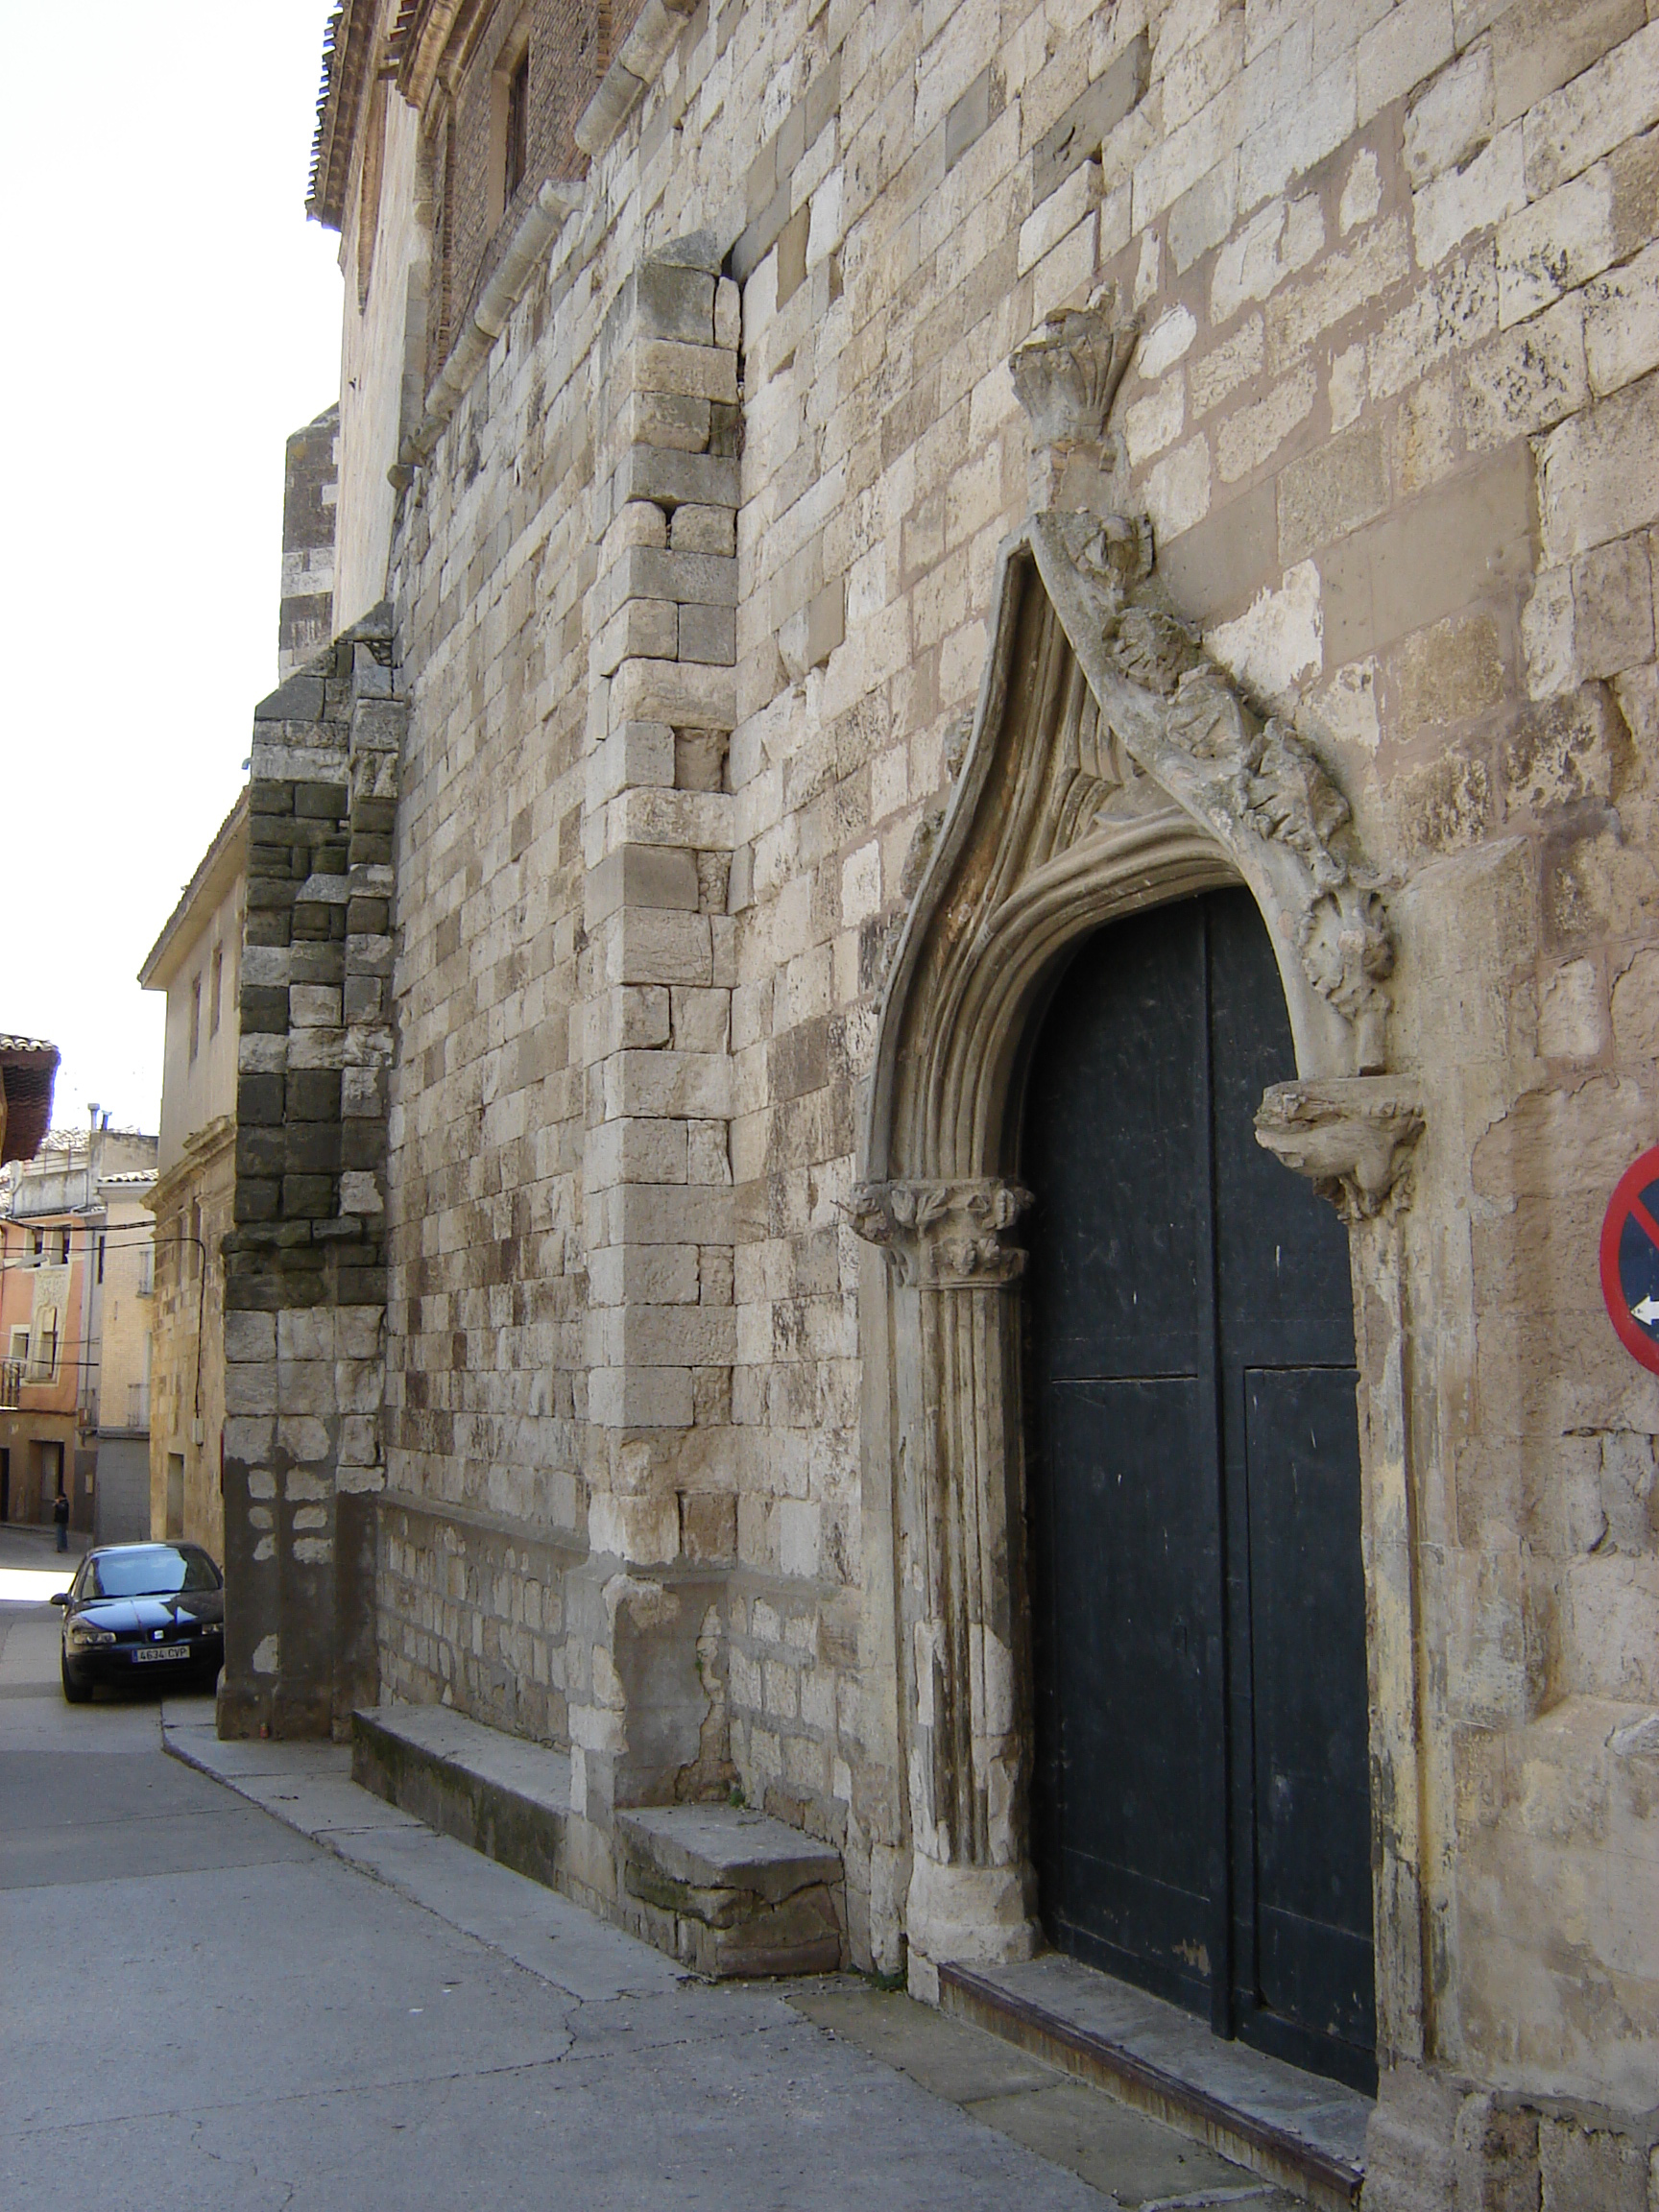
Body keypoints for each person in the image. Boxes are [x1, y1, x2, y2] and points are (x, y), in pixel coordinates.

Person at [53, 1483, 69, 1552]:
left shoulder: (64, 1503)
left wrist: (57, 1504)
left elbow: (62, 1509)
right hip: (62, 1520)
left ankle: (60, 1547)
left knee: (60, 1534)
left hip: (61, 1521)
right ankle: (64, 1546)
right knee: (63, 1534)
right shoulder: (63, 1502)